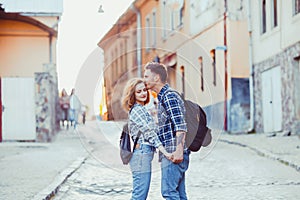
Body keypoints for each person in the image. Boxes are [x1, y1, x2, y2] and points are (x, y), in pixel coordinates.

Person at [144, 62, 190, 199]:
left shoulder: (169, 96)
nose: (144, 80)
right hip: (172, 151)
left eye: (146, 76)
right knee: (179, 194)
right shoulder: (162, 97)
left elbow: (180, 125)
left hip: (173, 151)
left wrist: (178, 150)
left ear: (156, 78)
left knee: (169, 192)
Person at [121, 78, 171, 200]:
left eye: (144, 90)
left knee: (141, 194)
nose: (143, 93)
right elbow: (150, 134)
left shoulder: (142, 109)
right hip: (141, 155)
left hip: (144, 154)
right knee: (139, 195)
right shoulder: (137, 110)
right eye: (139, 91)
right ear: (132, 94)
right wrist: (164, 151)